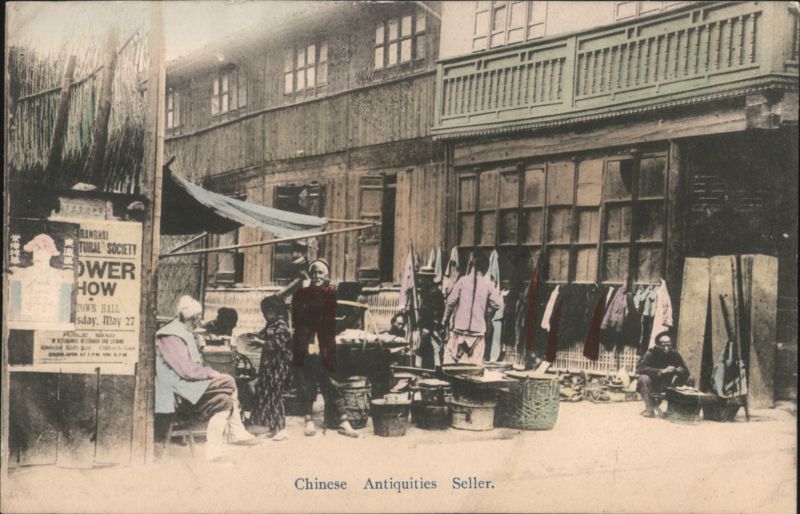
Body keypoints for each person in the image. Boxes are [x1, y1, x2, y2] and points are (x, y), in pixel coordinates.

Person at [155, 296, 259, 461]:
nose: (199, 321)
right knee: (228, 380)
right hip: (175, 389)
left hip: (185, 385)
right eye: (198, 317)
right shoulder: (171, 335)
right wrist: (210, 373)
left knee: (224, 400)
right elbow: (187, 371)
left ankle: (214, 451)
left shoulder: (182, 332)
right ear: (191, 317)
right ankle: (236, 430)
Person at [291, 259, 359, 438]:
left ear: (326, 275)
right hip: (306, 342)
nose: (317, 276)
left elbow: (334, 320)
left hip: (326, 344)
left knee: (331, 381)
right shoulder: (301, 294)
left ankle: (343, 421)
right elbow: (298, 320)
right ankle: (308, 420)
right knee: (307, 381)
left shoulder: (331, 294)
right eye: (314, 272)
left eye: (320, 273)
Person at [441, 252, 503, 365]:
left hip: (459, 332)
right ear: (485, 269)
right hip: (477, 334)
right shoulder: (488, 284)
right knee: (474, 367)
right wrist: (487, 310)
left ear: (472, 266)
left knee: (450, 364)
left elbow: (450, 303)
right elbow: (497, 304)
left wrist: (444, 321)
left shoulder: (462, 281)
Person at [249, 296, 292, 441]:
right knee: (268, 395)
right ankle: (271, 426)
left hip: (279, 366)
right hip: (269, 366)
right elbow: (263, 335)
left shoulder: (282, 326)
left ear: (274, 310)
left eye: (265, 312)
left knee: (276, 396)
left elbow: (277, 344)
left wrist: (261, 343)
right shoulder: (270, 324)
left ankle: (281, 428)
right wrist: (255, 337)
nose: (264, 315)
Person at [636, 331, 693, 418]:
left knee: (690, 379)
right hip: (652, 384)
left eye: (669, 345)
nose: (666, 348)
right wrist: (661, 371)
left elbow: (686, 371)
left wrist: (682, 371)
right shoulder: (651, 353)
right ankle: (649, 410)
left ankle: (678, 410)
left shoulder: (674, 354)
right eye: (663, 345)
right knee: (643, 378)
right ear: (657, 345)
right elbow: (640, 368)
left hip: (668, 384)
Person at [416, 266, 445, 370]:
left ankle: (437, 369)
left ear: (428, 279)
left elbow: (431, 312)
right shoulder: (427, 290)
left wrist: (427, 327)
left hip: (431, 325)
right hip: (427, 323)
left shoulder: (433, 292)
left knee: (435, 346)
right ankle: (421, 368)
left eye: (422, 278)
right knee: (424, 346)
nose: (420, 280)